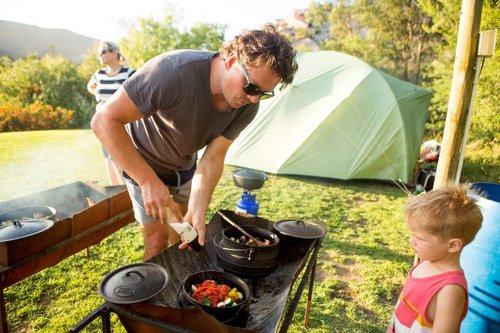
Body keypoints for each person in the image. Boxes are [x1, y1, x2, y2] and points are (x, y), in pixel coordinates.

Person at [91, 24, 298, 260]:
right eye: (251, 86)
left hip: (184, 167)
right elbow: (103, 121)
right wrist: (148, 182)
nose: (253, 98)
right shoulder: (172, 71)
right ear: (232, 59)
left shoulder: (248, 106)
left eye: (262, 93)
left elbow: (213, 157)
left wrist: (198, 211)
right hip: (144, 163)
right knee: (157, 242)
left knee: (184, 236)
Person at [386, 183, 483, 333]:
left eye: (419, 237)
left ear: (452, 246)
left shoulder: (449, 289)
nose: (412, 240)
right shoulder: (426, 261)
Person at [87, 41, 136, 185]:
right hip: (102, 122)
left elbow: (139, 92)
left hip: (122, 122)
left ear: (114, 53)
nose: (99, 55)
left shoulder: (128, 72)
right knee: (108, 156)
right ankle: (117, 192)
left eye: (103, 52)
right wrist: (95, 91)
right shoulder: (99, 74)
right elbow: (90, 86)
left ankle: (128, 190)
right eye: (99, 53)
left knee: (122, 156)